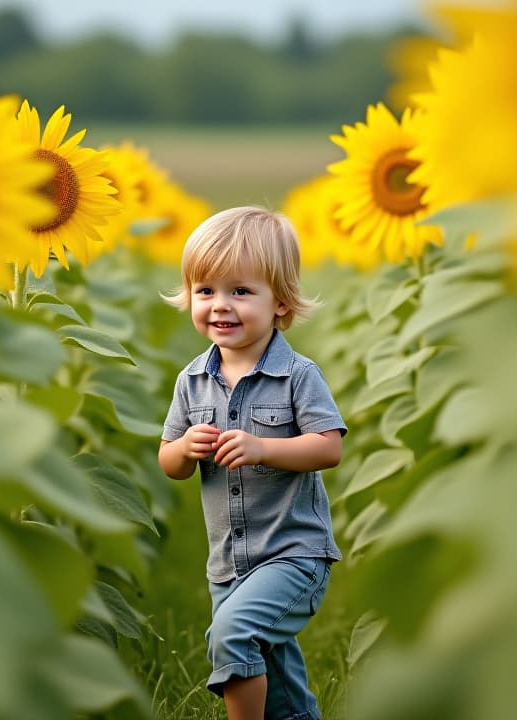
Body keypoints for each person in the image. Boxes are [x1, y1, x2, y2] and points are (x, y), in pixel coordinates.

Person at [158, 206, 346, 720]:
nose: (221, 305)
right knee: (277, 684)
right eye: (205, 290)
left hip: (293, 553)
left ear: (280, 301)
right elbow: (169, 461)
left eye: (240, 291)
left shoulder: (298, 376)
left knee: (234, 636)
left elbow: (329, 447)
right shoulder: (191, 381)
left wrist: (265, 447)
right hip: (229, 565)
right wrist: (185, 449)